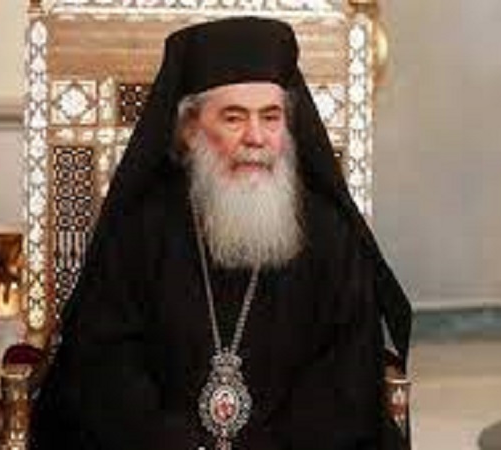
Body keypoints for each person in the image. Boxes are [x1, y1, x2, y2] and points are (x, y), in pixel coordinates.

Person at [28, 16, 412, 450]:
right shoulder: (141, 230)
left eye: (271, 117)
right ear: (190, 129)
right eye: (233, 118)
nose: (256, 137)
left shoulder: (329, 235)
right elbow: (105, 365)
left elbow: (344, 377)